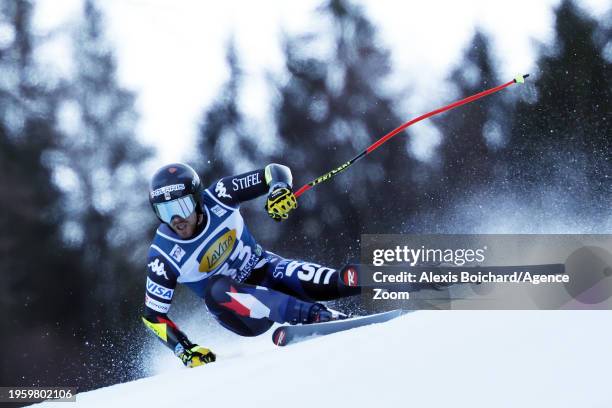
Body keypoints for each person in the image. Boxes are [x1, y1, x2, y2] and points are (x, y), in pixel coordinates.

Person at [142, 163, 361, 368]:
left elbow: (274, 171)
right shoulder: (163, 255)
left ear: (197, 199)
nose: (176, 219)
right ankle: (313, 315)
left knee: (334, 281)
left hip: (268, 271)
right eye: (165, 211)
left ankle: (382, 276)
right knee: (217, 288)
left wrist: (278, 189)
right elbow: (153, 316)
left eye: (182, 205)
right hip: (243, 314)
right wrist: (186, 350)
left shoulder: (220, 195)